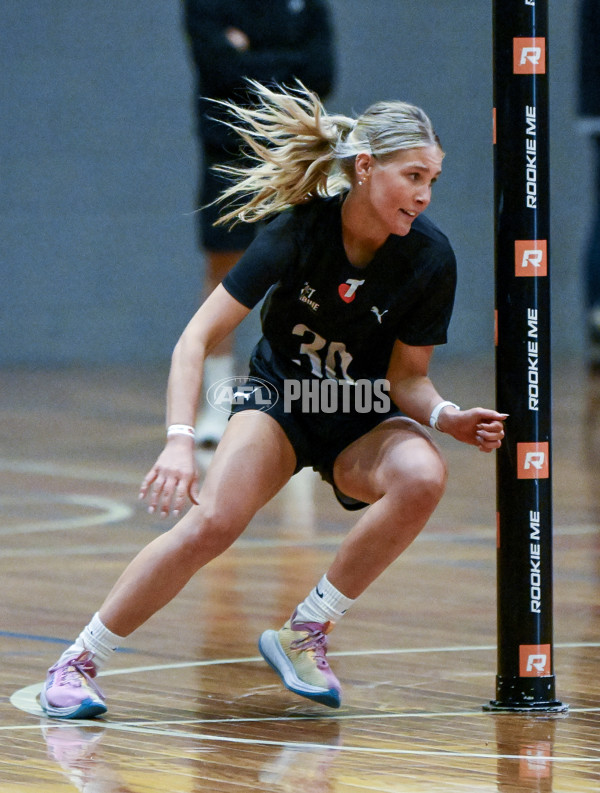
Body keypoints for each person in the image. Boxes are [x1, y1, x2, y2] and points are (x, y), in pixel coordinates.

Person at [39, 82, 507, 719]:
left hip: (361, 416)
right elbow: (195, 339)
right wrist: (180, 439)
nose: (425, 194)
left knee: (423, 475)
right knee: (213, 522)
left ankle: (304, 631)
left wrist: (446, 417)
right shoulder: (299, 232)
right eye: (413, 175)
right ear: (365, 168)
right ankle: (77, 662)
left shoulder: (430, 258)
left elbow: (406, 379)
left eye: (434, 179)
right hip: (280, 400)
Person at [183, 0, 336, 446]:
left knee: (308, 271)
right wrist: (283, 58)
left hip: (294, 151)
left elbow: (322, 74)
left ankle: (306, 402)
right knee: (222, 271)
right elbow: (218, 69)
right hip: (226, 151)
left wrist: (250, 53)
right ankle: (216, 405)